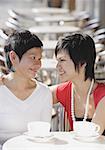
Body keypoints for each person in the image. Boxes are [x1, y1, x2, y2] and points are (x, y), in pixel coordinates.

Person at [0, 29, 52, 146]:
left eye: (40, 59)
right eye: (33, 58)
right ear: (13, 57)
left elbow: (43, 136)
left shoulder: (44, 93)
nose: (38, 64)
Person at [50, 32, 105, 135]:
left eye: (62, 60)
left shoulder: (103, 97)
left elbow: (92, 138)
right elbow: (33, 95)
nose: (57, 66)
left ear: (82, 62)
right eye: (57, 61)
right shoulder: (65, 90)